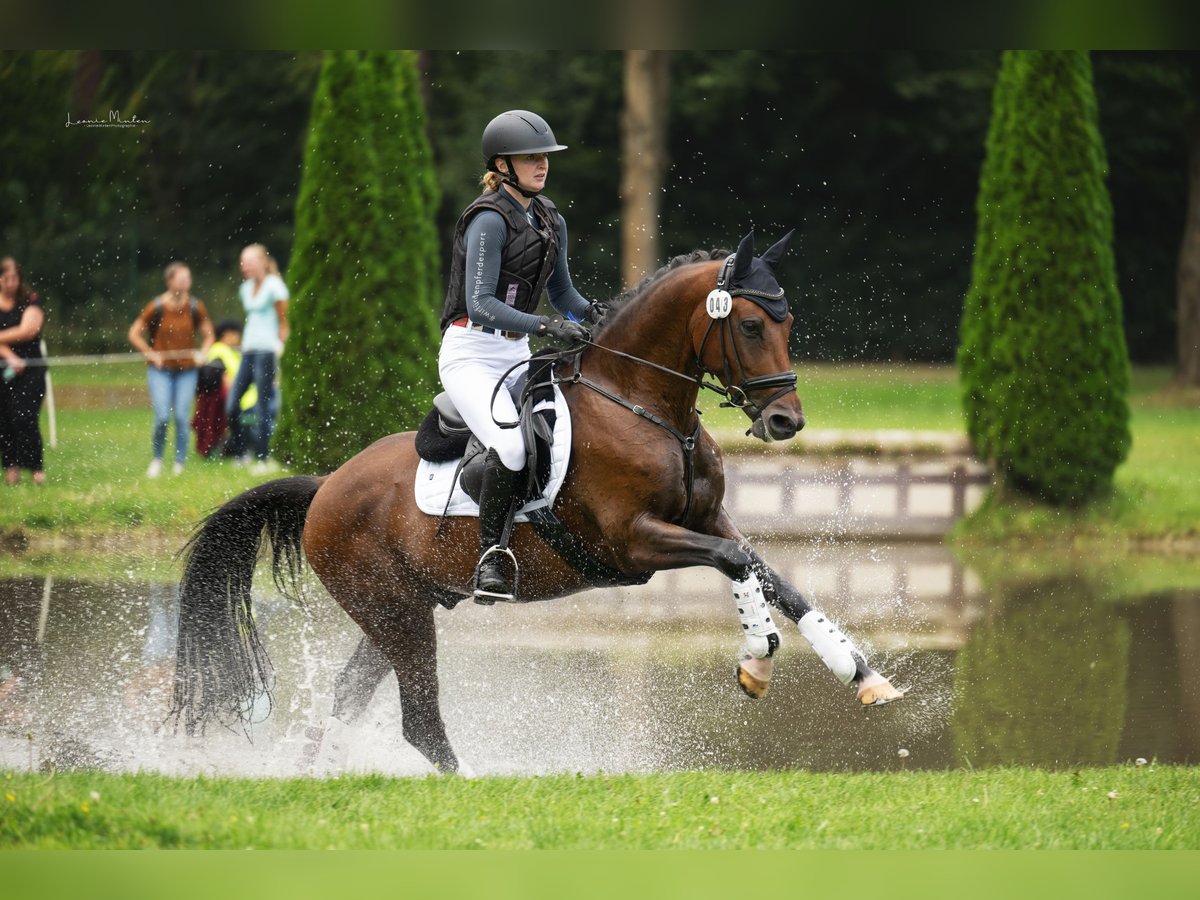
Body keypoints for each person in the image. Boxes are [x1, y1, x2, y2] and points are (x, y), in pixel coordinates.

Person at [438, 110, 602, 601]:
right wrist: (546, 325)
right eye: (532, 157)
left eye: (545, 157)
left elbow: (564, 294)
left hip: (517, 351)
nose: (542, 165)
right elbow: (480, 302)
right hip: (470, 353)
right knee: (510, 447)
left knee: (566, 428)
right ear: (502, 164)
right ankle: (491, 556)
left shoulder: (551, 218)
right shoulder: (488, 219)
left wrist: (599, 315)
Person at [128, 261, 214, 477]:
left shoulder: (195, 306)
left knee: (182, 418)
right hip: (160, 370)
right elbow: (134, 333)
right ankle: (157, 459)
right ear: (170, 281)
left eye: (189, 278)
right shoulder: (156, 307)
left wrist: (203, 353)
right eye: (182, 278)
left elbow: (209, 335)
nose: (187, 282)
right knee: (162, 417)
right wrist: (150, 353)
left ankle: (179, 463)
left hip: (187, 370)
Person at [227, 243, 288, 473]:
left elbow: (283, 320)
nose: (245, 266)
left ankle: (263, 458)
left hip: (267, 351)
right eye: (243, 262)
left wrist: (280, 346)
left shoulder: (275, 287)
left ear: (263, 262)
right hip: (248, 350)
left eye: (249, 261)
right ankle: (242, 452)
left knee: (262, 405)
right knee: (233, 404)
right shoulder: (245, 289)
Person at [0, 257, 47, 486]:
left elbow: (29, 330)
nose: (10, 283)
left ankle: (36, 469)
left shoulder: (31, 300)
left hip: (31, 371)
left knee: (26, 418)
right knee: (5, 420)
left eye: (14, 278)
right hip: (3, 371)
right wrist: (9, 355)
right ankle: (11, 470)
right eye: (5, 278)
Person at [192, 319, 256, 459]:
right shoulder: (219, 351)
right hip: (240, 401)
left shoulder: (233, 351)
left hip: (247, 398)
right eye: (235, 334)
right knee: (250, 422)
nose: (238, 337)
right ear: (227, 335)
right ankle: (244, 451)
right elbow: (224, 378)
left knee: (254, 420)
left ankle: (245, 450)